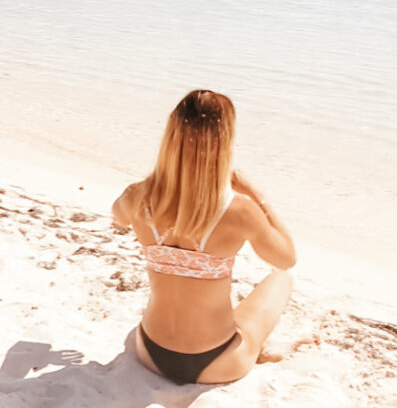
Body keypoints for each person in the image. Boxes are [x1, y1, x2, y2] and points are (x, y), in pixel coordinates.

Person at [112, 89, 296, 385]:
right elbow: (287, 259)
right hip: (219, 360)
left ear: (171, 137)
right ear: (224, 142)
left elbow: (118, 217)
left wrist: (154, 185)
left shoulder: (137, 197)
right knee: (280, 280)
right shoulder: (240, 211)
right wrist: (257, 194)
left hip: (149, 352)